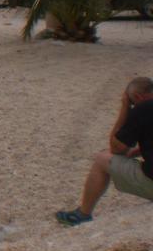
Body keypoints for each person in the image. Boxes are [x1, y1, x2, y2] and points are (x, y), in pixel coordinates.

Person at [56, 76, 153, 226]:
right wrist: (138, 151)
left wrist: (125, 108)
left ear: (138, 97)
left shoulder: (143, 108)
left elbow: (116, 148)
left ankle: (83, 214)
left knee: (102, 159)